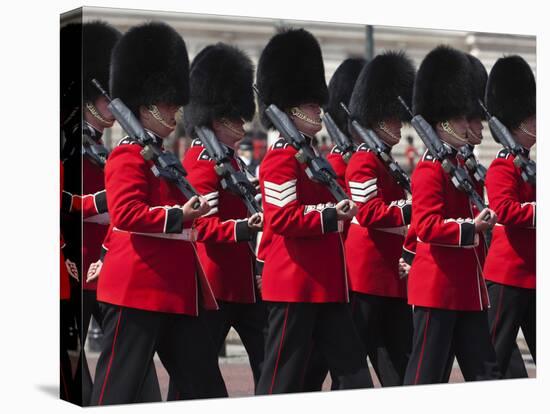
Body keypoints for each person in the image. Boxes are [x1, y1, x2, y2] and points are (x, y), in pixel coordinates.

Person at [89, 22, 227, 405]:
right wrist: (179, 215)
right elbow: (127, 214)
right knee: (117, 388)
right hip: (137, 290)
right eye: (168, 103)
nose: (174, 109)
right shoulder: (126, 156)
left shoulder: (166, 157)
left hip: (175, 291)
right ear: (146, 106)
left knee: (204, 386)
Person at [255, 28, 373, 394]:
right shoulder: (279, 161)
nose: (318, 111)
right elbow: (282, 219)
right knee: (281, 382)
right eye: (310, 106)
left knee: (354, 377)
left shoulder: (312, 158)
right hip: (294, 285)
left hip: (326, 286)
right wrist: (330, 215)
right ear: (291, 109)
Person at [168, 42, 265, 396]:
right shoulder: (201, 161)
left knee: (271, 362)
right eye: (234, 117)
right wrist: (243, 228)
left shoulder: (233, 161)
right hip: (214, 284)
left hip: (242, 282)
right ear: (217, 118)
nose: (241, 122)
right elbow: (203, 225)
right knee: (195, 373)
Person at [403, 45, 501, 384]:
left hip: (467, 289)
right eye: (462, 117)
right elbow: (427, 227)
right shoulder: (429, 171)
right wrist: (471, 227)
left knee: (486, 374)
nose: (468, 122)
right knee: (425, 376)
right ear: (444, 121)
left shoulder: (463, 166)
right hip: (438, 290)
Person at [344, 51, 416, 386]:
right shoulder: (363, 161)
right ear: (377, 118)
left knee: (398, 357)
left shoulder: (386, 160)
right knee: (353, 357)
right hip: (368, 271)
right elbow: (369, 213)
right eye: (392, 117)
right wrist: (411, 208)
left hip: (391, 270)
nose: (398, 123)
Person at [302, 56, 366, 392]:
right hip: (343, 273)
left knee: (346, 368)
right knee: (314, 366)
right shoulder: (336, 162)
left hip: (353, 275)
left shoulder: (363, 159)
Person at [483, 55, 536, 377]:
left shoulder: (530, 165)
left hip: (533, 273)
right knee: (494, 355)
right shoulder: (503, 165)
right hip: (508, 274)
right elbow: (505, 210)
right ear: (518, 123)